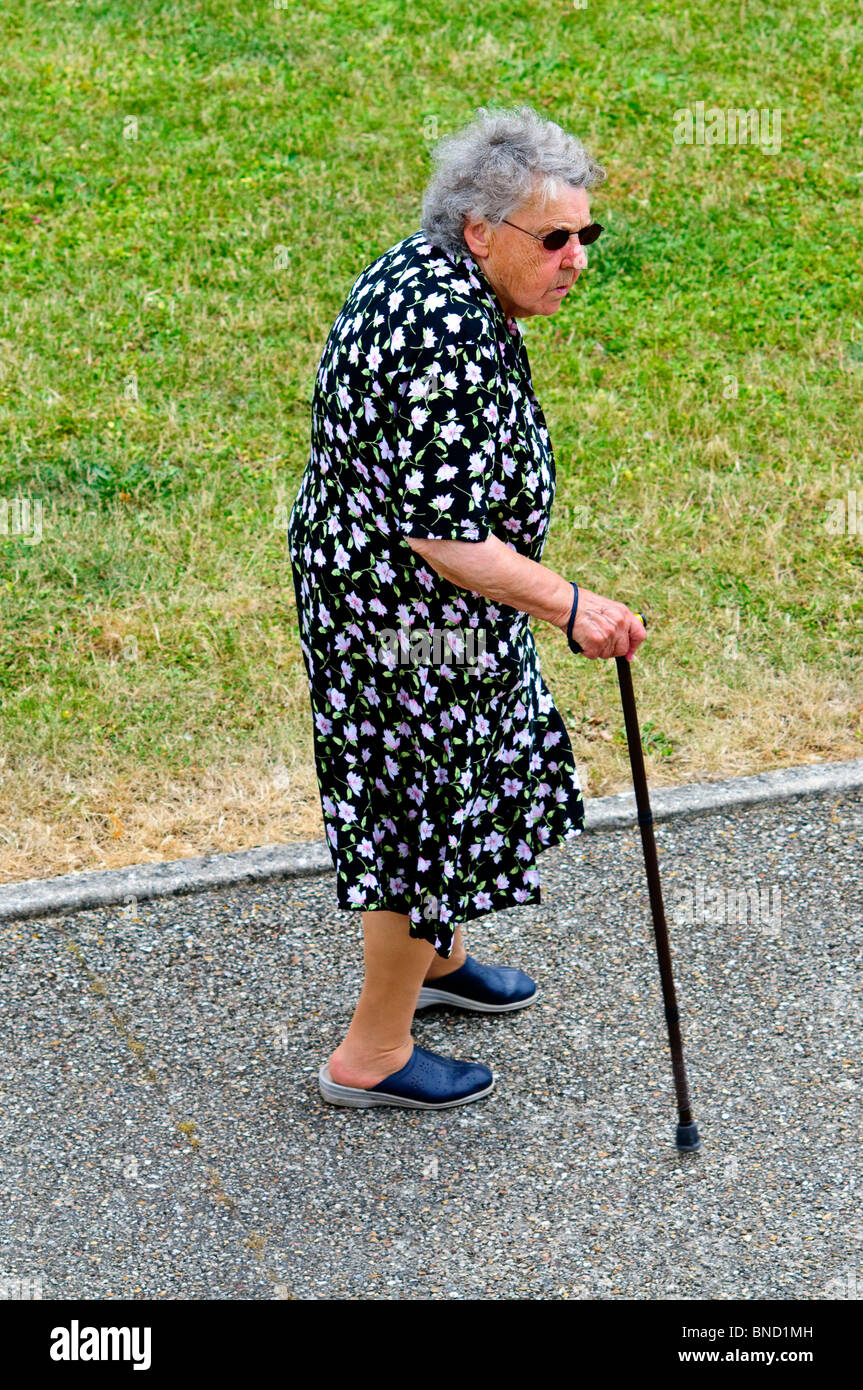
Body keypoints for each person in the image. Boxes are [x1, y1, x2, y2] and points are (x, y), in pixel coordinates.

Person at [287, 103, 646, 1111]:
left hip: (420, 606)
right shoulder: (438, 330)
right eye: (555, 238)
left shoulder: (440, 273)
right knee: (421, 817)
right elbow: (441, 537)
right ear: (481, 231)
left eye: (585, 234)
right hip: (403, 622)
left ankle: (435, 962)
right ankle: (372, 1054)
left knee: (449, 793)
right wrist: (571, 605)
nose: (576, 258)